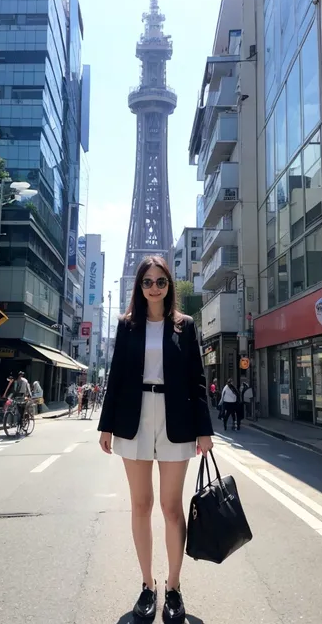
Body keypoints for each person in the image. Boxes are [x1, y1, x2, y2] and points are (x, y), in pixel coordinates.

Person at [98, 256, 213, 622]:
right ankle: (147, 585)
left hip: (174, 417)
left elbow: (196, 380)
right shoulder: (127, 325)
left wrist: (205, 429)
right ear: (139, 286)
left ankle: (173, 587)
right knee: (141, 505)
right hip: (133, 417)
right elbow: (116, 376)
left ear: (169, 286)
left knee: (171, 507)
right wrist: (105, 425)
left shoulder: (185, 325)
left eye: (160, 281)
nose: (153, 287)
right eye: (147, 282)